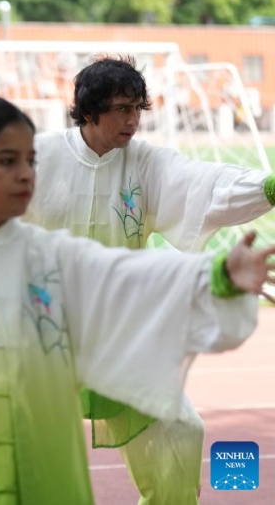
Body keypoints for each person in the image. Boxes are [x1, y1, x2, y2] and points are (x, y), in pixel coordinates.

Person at [0, 95, 275, 504]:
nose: (25, 174)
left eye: (29, 161)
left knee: (177, 433)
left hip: (38, 463)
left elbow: (129, 278)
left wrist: (217, 275)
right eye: (6, 160)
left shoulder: (50, 254)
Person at [23, 55, 275, 504]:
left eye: (139, 108)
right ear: (90, 108)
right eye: (122, 108)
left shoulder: (146, 164)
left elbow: (204, 185)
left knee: (179, 432)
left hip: (118, 331)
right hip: (34, 332)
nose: (134, 120)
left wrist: (268, 189)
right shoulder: (37, 157)